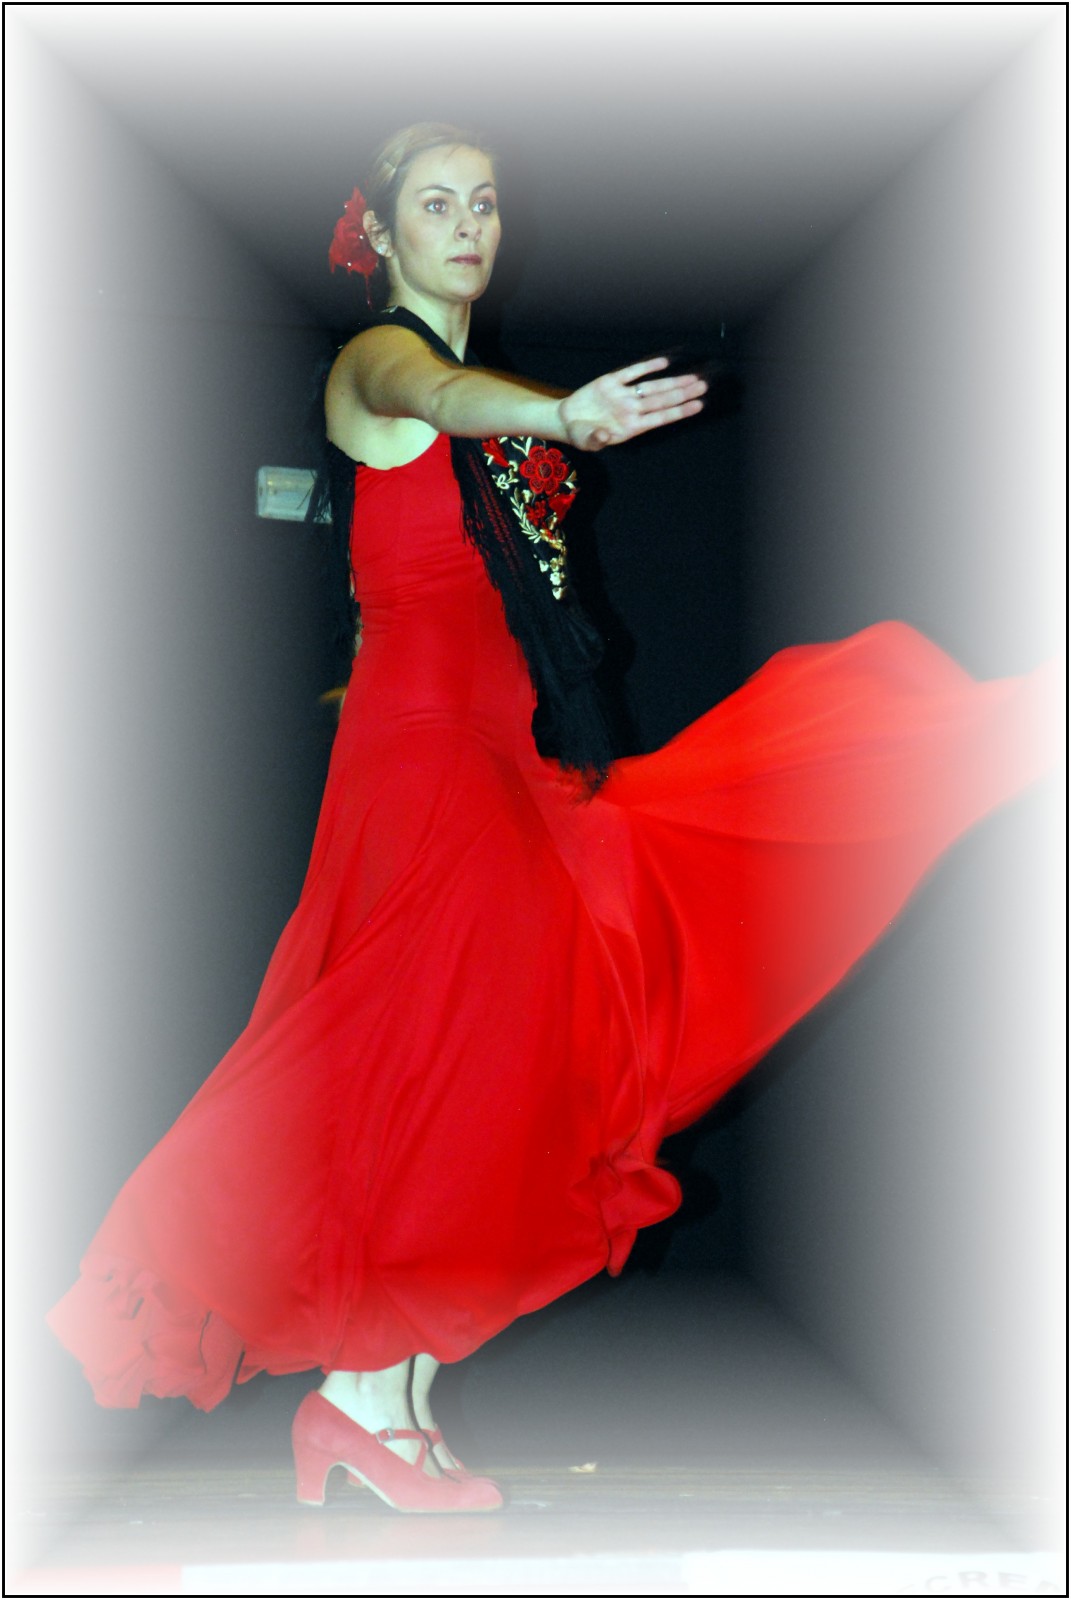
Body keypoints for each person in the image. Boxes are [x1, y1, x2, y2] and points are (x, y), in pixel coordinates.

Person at [48, 123, 1054, 1515]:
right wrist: (564, 420)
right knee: (433, 1051)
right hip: (422, 761)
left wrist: (549, 425)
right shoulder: (380, 364)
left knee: (499, 1045)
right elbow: (434, 390)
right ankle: (357, 1396)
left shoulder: (495, 404)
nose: (467, 224)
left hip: (510, 759)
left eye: (485, 202)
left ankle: (382, 1398)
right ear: (380, 234)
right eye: (435, 205)